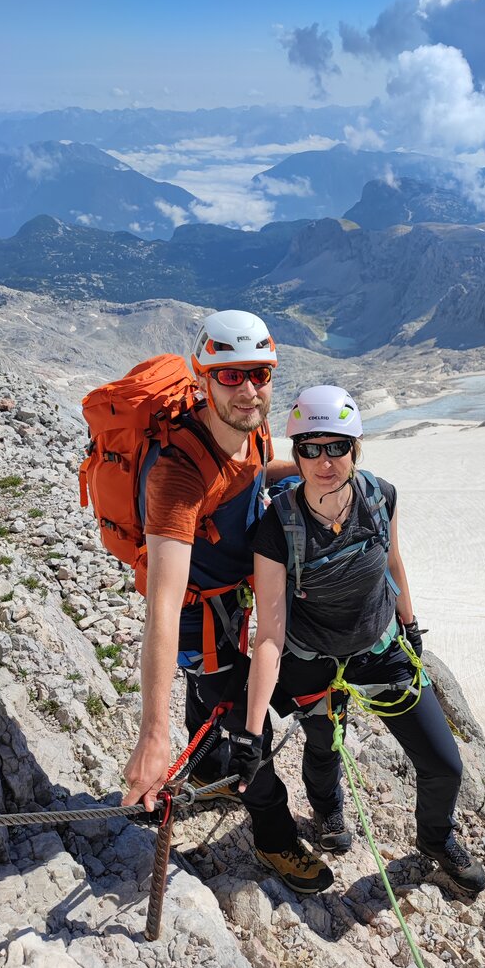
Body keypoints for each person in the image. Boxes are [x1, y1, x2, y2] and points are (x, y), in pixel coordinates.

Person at [233, 385, 485, 895]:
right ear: (296, 453)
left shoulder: (379, 496)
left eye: (337, 446)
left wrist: (410, 627)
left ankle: (436, 840)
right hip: (312, 662)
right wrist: (253, 727)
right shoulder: (277, 528)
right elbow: (270, 633)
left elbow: (393, 564)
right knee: (324, 746)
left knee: (443, 764)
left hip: (380, 650)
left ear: (356, 448)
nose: (325, 461)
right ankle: (328, 813)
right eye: (311, 447)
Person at [122, 310, 333, 895]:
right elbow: (162, 604)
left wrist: (322, 470)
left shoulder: (251, 427)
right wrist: (151, 734)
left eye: (259, 374)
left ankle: (208, 762)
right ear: (203, 376)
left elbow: (257, 470)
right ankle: (272, 836)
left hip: (232, 600)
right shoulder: (177, 474)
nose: (248, 389)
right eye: (231, 376)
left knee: (226, 703)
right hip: (198, 621)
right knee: (249, 729)